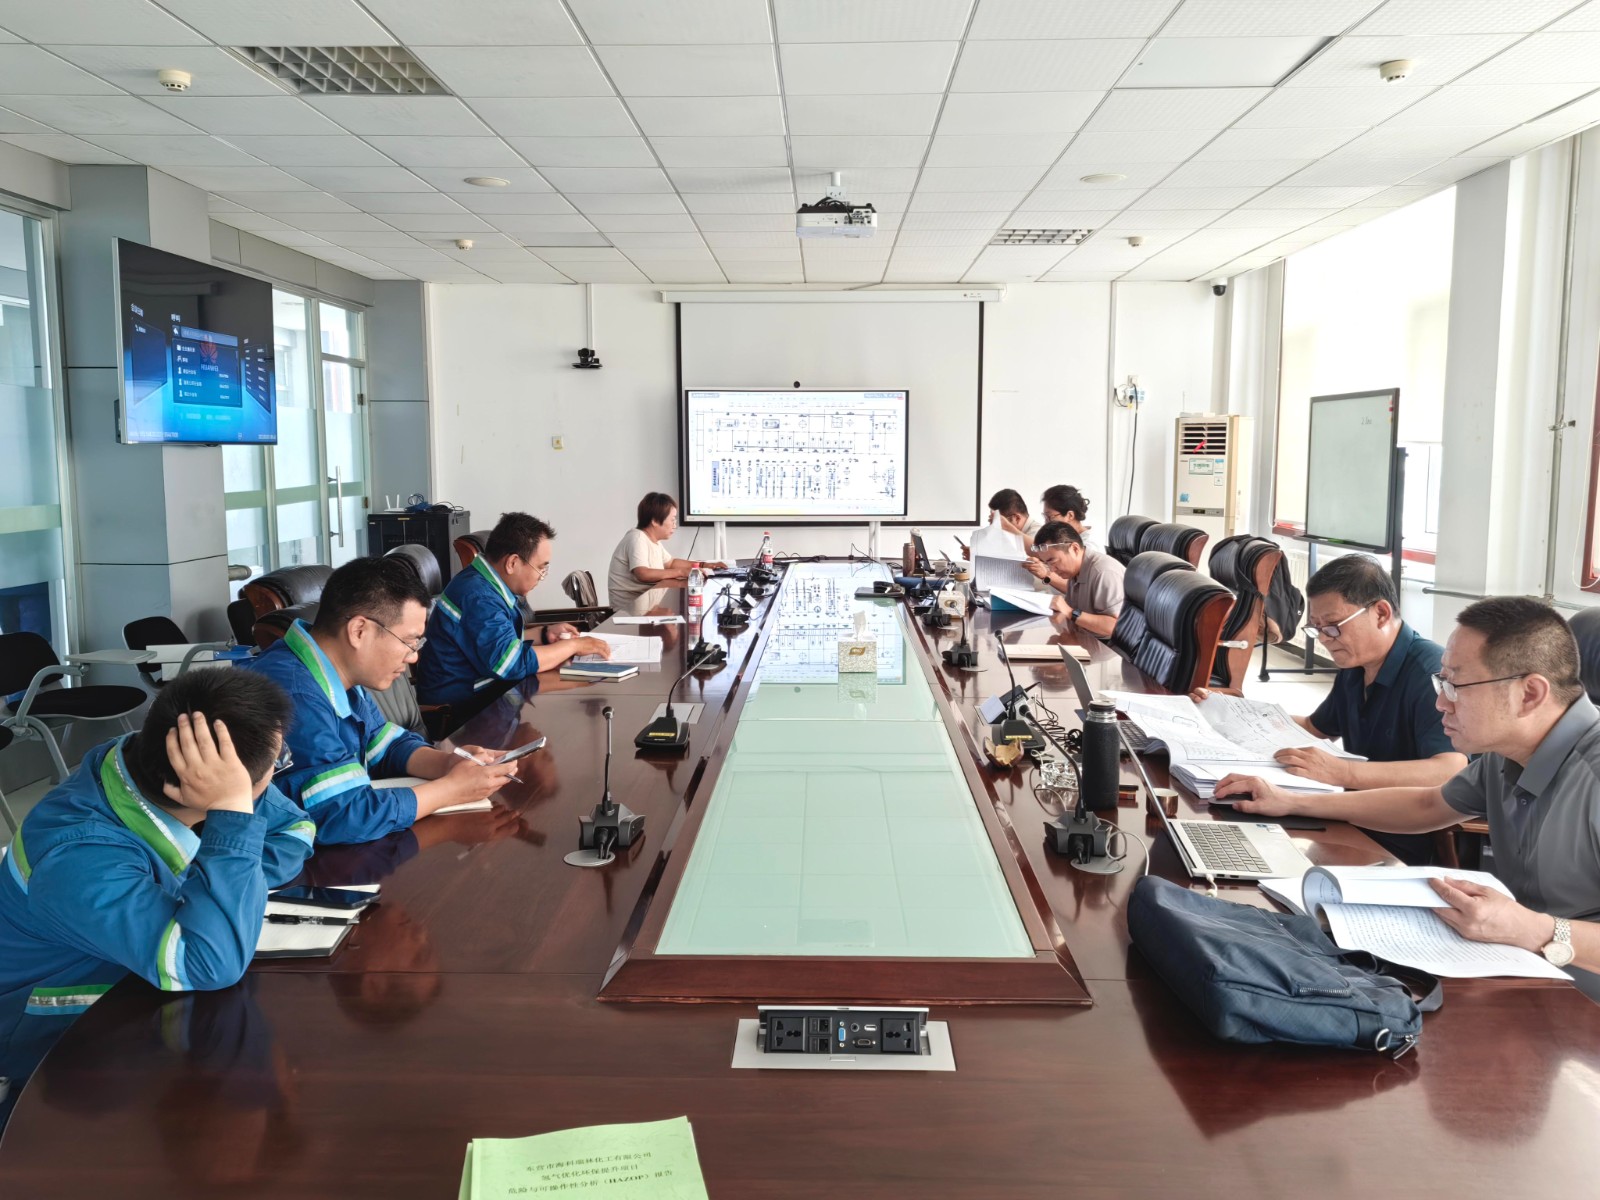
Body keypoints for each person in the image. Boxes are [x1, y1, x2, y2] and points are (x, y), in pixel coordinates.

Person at [1218, 597, 1600, 1001]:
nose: (1440, 703)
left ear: (1529, 694)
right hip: (1520, 972)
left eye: (1456, 686)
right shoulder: (1504, 755)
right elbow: (1428, 806)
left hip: (1577, 1002)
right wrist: (1291, 801)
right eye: (1441, 681)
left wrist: (1534, 928)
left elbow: (1531, 928)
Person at [0, 670, 314, 1126]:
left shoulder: (158, 762)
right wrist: (228, 828)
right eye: (277, 763)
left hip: (138, 996)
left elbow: (297, 830)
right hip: (58, 1054)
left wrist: (224, 879)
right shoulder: (80, 860)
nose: (278, 769)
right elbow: (207, 965)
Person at [1196, 554, 1467, 864]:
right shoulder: (1356, 665)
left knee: (1277, 863)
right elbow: (1314, 728)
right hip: (1353, 814)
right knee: (1235, 833)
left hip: (1403, 835)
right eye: (1317, 629)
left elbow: (1450, 769)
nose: (1324, 640)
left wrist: (1343, 771)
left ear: (1380, 613)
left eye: (1334, 627)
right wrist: (1228, 712)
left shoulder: (1428, 673)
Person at [250, 555, 519, 844]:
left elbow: (384, 745)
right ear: (359, 631)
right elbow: (345, 814)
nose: (413, 657)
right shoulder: (293, 693)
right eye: (409, 641)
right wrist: (452, 790)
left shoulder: (334, 671)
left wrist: (448, 764)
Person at [416, 511, 612, 707]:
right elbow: (510, 664)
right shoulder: (479, 598)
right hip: (461, 708)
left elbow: (499, 642)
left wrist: (544, 634)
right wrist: (574, 646)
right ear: (512, 563)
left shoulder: (481, 583)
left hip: (485, 692)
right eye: (540, 568)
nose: (541, 576)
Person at [606, 493, 723, 615]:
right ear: (655, 521)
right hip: (628, 612)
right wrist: (682, 572)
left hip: (644, 607)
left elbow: (671, 563)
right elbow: (642, 573)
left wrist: (703, 565)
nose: (675, 525)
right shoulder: (637, 538)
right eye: (672, 520)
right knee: (682, 614)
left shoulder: (653, 541)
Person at [1024, 521, 1124, 639]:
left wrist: (1069, 612)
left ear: (1074, 549)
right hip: (1083, 636)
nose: (1051, 569)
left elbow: (1114, 627)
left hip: (1106, 645)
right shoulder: (1074, 570)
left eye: (1053, 561)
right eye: (1047, 563)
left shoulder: (1103, 572)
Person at [1041, 484, 1096, 549]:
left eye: (1050, 516)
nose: (1046, 523)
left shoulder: (1088, 547)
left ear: (1070, 515)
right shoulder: (1063, 538)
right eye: (1045, 517)